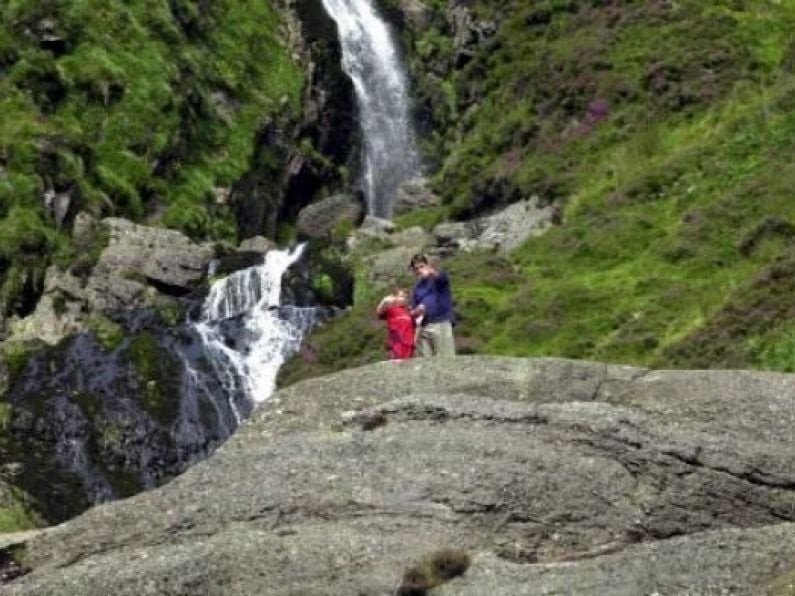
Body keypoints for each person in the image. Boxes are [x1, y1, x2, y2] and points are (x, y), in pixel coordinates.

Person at [409, 253, 455, 357]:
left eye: (422, 266)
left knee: (445, 358)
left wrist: (431, 273)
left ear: (428, 265)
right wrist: (416, 312)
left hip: (441, 323)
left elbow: (443, 279)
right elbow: (412, 309)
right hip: (424, 327)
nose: (420, 270)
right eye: (416, 268)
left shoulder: (438, 279)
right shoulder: (417, 288)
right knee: (424, 361)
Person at [376, 287, 415, 360]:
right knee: (396, 361)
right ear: (395, 297)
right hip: (396, 341)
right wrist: (384, 301)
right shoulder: (391, 308)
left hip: (408, 343)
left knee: (407, 364)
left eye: (405, 297)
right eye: (401, 296)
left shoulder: (408, 311)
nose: (403, 299)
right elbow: (379, 312)